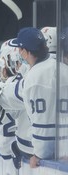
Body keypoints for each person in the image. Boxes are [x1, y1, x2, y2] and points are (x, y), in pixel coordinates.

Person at [8, 27, 68, 167]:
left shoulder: (34, 78)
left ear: (24, 52)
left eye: (19, 48)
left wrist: (39, 155)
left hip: (54, 156)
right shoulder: (60, 67)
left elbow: (44, 127)